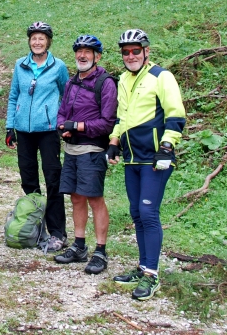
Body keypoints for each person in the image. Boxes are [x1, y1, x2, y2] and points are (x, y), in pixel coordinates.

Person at [106, 29, 186, 300]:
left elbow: (175, 115)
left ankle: (151, 274)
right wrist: (114, 141)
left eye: (135, 51)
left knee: (148, 212)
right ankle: (142, 267)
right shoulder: (123, 79)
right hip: (132, 158)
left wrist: (167, 147)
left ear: (146, 51)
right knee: (136, 212)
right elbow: (121, 116)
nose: (130, 56)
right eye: (126, 52)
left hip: (154, 159)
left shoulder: (162, 76)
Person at [54, 35, 117, 274]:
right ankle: (79, 246)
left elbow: (108, 122)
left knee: (94, 198)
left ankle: (100, 251)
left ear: (97, 56)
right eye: (79, 51)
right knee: (76, 197)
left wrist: (78, 126)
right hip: (71, 149)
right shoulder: (72, 82)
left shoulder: (105, 83)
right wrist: (63, 127)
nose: (82, 55)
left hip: (92, 150)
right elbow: (62, 112)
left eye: (87, 52)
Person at [5, 22, 69, 252]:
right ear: (29, 41)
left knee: (53, 179)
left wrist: (62, 122)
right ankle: (34, 226)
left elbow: (66, 96)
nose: (37, 42)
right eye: (34, 38)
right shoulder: (20, 65)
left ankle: (58, 232)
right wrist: (10, 126)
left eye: (42, 38)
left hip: (49, 130)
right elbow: (14, 96)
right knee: (28, 178)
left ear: (48, 41)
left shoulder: (58, 66)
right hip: (24, 130)